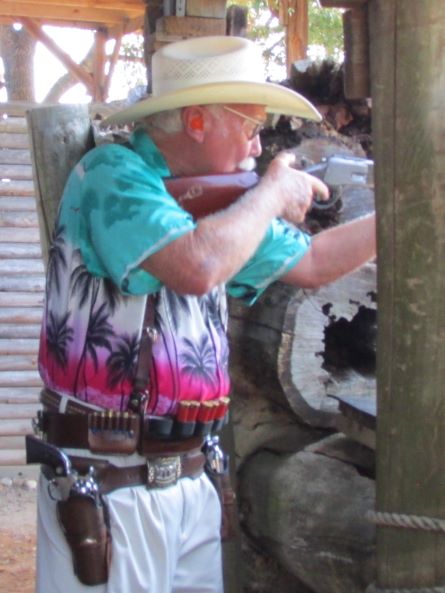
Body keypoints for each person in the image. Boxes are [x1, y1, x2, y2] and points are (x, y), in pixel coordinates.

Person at [34, 35, 376, 593]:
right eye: (251, 126)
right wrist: (271, 194)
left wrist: (409, 210)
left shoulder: (228, 213)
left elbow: (315, 262)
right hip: (109, 480)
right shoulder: (111, 175)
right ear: (196, 121)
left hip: (193, 476)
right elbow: (197, 265)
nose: (259, 145)